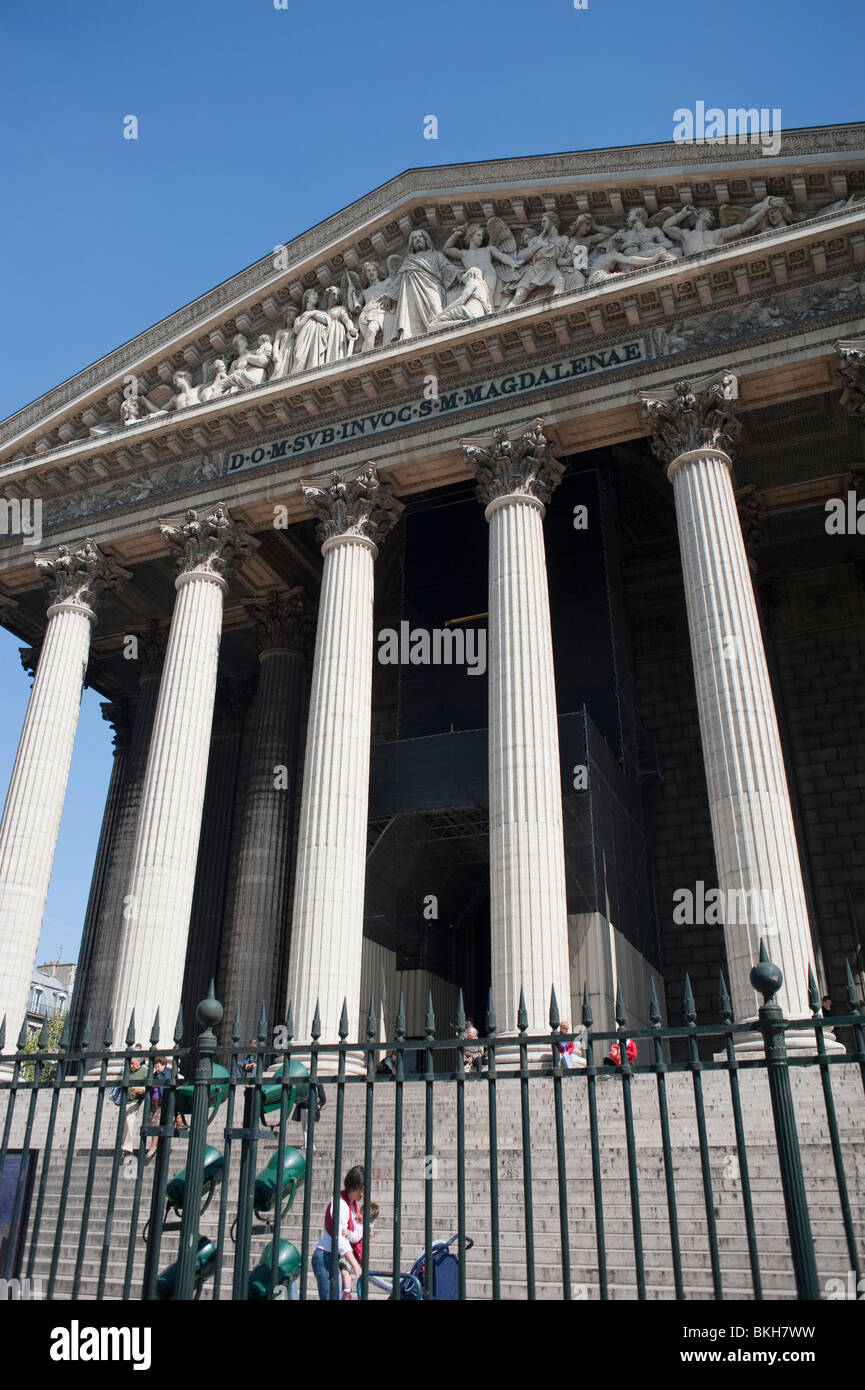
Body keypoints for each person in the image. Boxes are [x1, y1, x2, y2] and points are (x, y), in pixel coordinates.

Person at [312, 1165, 365, 1301]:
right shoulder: (340, 1204)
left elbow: (350, 1235)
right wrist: (356, 1266)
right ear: (354, 1187)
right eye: (361, 1189)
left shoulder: (352, 1205)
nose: (362, 1194)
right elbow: (340, 1239)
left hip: (335, 1258)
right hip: (325, 1257)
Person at [293, 1082, 326, 1152]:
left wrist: (319, 1104)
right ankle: (306, 1143)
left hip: (311, 1107)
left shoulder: (317, 1083)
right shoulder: (303, 1082)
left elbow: (322, 1096)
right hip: (302, 1107)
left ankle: (311, 1144)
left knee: (309, 1127)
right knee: (304, 1127)